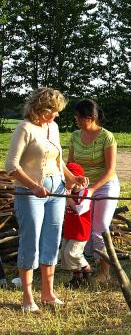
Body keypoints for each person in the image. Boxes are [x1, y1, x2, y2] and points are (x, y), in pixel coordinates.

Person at [5, 87, 88, 312]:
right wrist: (33, 187)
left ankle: (48, 294)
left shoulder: (53, 127)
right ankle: (27, 298)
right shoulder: (25, 129)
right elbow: (11, 166)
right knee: (30, 243)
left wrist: (73, 178)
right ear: (41, 109)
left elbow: (58, 160)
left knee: (52, 241)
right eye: (55, 110)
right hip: (30, 193)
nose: (58, 115)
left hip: (56, 191)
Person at [68, 99, 119, 283]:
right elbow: (71, 166)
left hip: (104, 185)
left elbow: (110, 169)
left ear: (91, 118)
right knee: (81, 228)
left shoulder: (106, 137)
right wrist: (73, 185)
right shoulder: (74, 136)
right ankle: (80, 269)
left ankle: (104, 272)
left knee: (100, 228)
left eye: (79, 117)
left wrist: (92, 189)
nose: (76, 120)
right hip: (81, 188)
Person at [60, 162, 93, 288]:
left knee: (72, 253)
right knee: (64, 252)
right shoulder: (68, 192)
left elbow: (79, 209)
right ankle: (77, 276)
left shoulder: (85, 193)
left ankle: (87, 268)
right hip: (70, 228)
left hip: (80, 229)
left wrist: (68, 197)